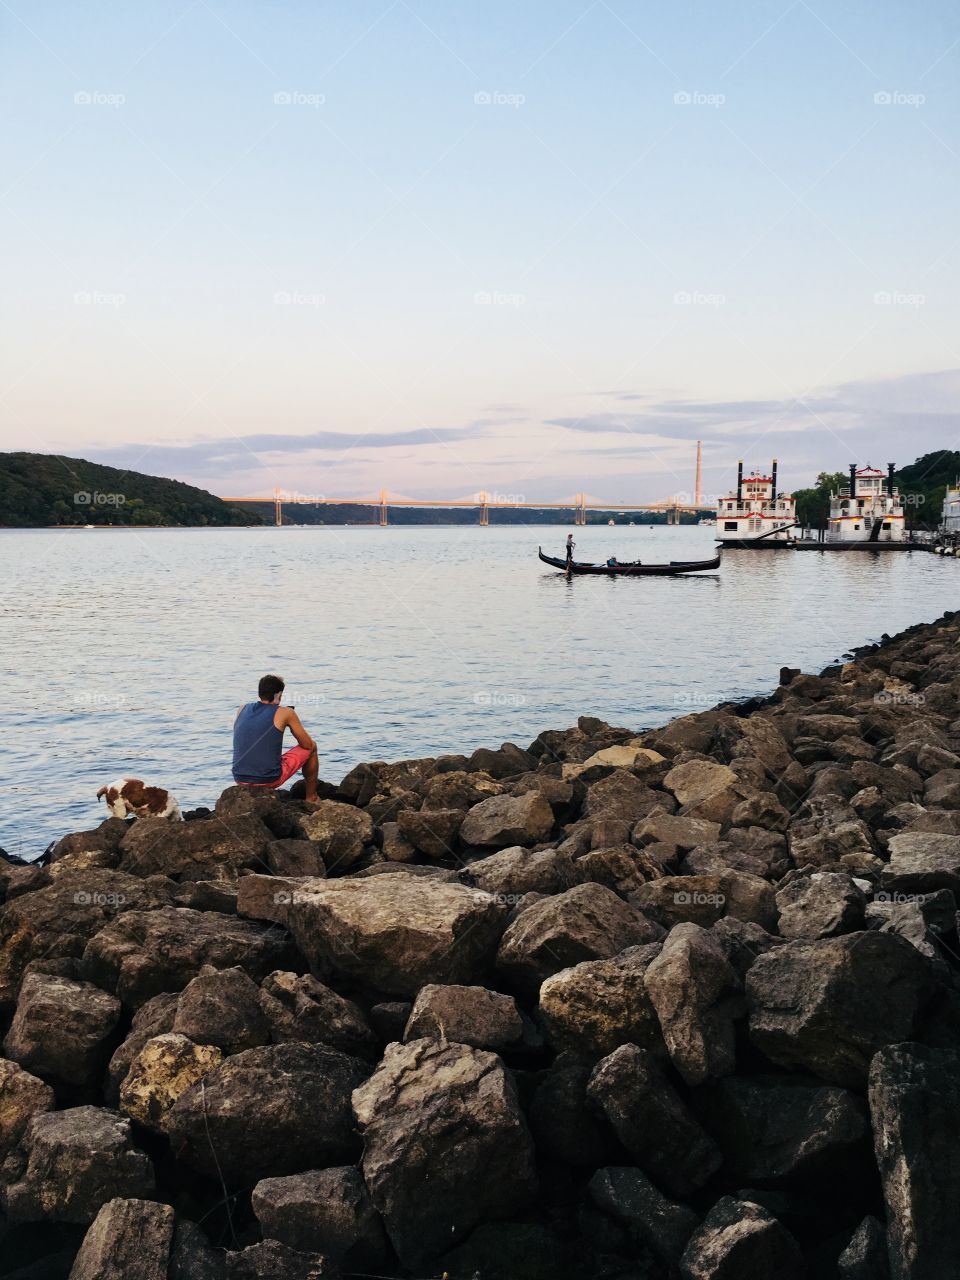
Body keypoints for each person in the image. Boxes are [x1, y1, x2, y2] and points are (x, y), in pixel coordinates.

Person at [232, 674, 320, 803]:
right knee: (312, 747)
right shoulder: (286, 712)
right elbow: (306, 744)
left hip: (239, 778)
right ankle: (311, 797)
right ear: (278, 695)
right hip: (269, 779)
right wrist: (290, 721)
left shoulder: (242, 709)